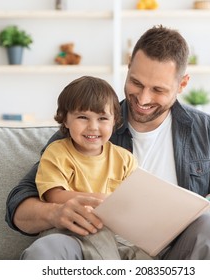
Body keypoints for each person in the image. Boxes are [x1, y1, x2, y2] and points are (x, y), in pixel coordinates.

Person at [5, 25, 210, 260]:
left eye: (158, 90)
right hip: (99, 249)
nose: (143, 98)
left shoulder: (207, 131)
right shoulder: (90, 127)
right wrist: (55, 213)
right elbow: (18, 205)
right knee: (48, 248)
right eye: (136, 82)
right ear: (128, 66)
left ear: (182, 84)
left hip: (176, 253)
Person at [34, 75, 142, 259]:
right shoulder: (57, 152)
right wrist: (99, 199)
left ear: (114, 120)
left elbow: (133, 201)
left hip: (114, 235)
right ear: (65, 120)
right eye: (83, 117)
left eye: (102, 118)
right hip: (69, 230)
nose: (93, 127)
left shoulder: (125, 158)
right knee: (98, 238)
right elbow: (54, 195)